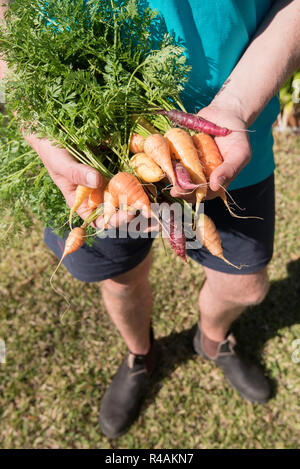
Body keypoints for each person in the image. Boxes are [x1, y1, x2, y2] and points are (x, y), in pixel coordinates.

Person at [1, 0, 300, 439]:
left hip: (216, 147)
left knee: (245, 284)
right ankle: (140, 355)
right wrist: (36, 124)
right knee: (121, 278)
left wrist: (237, 104)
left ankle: (213, 341)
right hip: (97, 170)